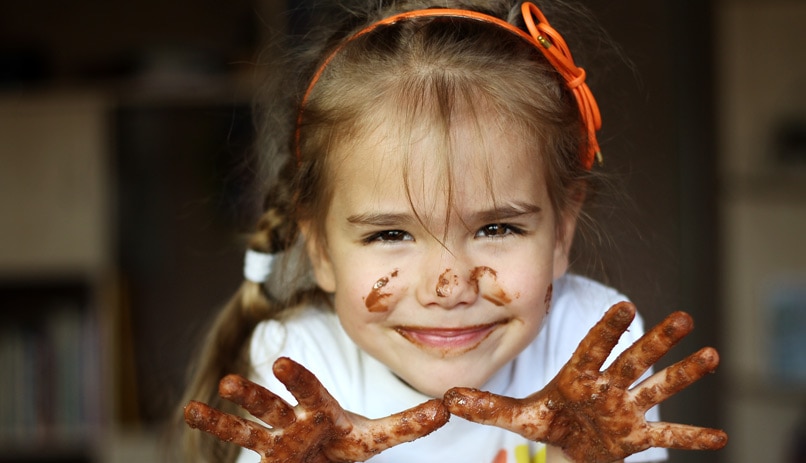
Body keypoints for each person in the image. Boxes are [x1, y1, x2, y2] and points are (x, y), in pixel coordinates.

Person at [177, 1, 728, 462]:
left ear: (561, 230)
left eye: (496, 226)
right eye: (390, 235)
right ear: (319, 249)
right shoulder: (301, 364)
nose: (448, 286)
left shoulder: (593, 344)